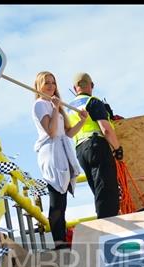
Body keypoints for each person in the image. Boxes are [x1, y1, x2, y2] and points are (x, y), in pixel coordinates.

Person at [32, 72, 88, 249]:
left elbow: (68, 133)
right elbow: (51, 131)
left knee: (62, 199)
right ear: (39, 86)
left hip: (62, 151)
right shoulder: (40, 105)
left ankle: (62, 238)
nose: (50, 86)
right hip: (51, 153)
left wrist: (81, 121)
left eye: (53, 83)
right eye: (46, 83)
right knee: (56, 198)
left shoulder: (53, 103)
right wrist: (55, 109)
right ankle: (58, 241)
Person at [67, 72, 123, 219]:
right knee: (107, 192)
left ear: (74, 88)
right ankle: (108, 227)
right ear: (92, 85)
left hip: (80, 150)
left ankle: (105, 223)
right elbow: (106, 129)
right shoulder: (93, 101)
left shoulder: (68, 108)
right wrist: (117, 148)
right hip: (97, 146)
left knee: (98, 191)